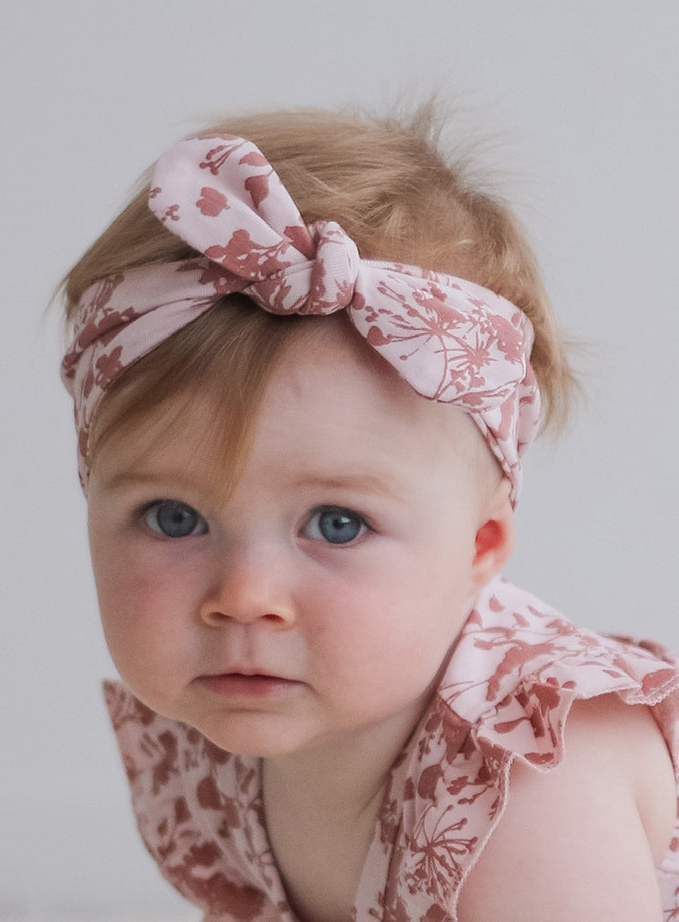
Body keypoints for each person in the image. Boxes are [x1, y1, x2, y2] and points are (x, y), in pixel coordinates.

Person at [59, 107, 679, 921]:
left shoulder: (527, 783)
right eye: (173, 517)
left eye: (336, 524)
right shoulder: (231, 743)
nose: (244, 595)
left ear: (480, 545)